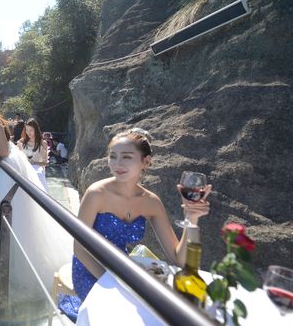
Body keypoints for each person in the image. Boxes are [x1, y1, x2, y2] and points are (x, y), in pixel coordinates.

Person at [58, 128, 212, 321]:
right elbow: (80, 249)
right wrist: (112, 283)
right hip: (90, 269)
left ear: (145, 162)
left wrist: (191, 219)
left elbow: (177, 259)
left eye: (127, 157)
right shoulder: (96, 194)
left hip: (123, 269)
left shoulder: (151, 202)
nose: (117, 164)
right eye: (112, 156)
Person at [0, 75, 72, 305]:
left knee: (15, 217)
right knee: (4, 217)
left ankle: (24, 270)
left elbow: (4, 151)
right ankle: (13, 266)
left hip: (7, 168)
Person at [17, 118, 48, 189]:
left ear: (36, 130)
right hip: (25, 172)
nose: (28, 132)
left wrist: (34, 163)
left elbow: (45, 163)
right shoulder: (21, 142)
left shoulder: (43, 144)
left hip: (38, 174)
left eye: (31, 130)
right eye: (27, 130)